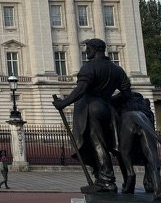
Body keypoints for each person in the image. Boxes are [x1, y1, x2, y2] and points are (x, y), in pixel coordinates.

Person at [53, 37, 132, 193]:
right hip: (108, 109)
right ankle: (101, 177)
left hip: (91, 109)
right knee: (104, 144)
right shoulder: (117, 69)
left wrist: (63, 103)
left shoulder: (89, 68)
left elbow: (81, 89)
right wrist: (108, 100)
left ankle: (107, 180)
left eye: (88, 48)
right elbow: (126, 94)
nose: (86, 51)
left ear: (95, 49)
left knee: (97, 144)